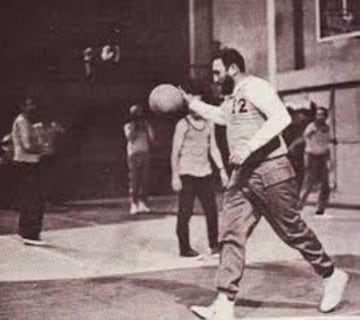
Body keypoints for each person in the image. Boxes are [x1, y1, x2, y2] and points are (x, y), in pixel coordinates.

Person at [179, 49, 348, 319]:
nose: (214, 77)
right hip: (243, 174)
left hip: (271, 168)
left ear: (232, 68)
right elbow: (223, 117)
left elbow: (282, 117)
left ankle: (332, 275)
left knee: (292, 231)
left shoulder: (257, 86)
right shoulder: (233, 96)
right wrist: (192, 103)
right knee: (231, 233)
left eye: (217, 72)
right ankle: (224, 304)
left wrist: (249, 146)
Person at [171, 106, 228, 257]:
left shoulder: (210, 123)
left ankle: (214, 246)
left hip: (205, 172)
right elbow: (175, 152)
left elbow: (213, 147)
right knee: (185, 212)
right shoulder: (183, 124)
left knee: (212, 211)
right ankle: (184, 249)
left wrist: (222, 169)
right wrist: (175, 175)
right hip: (187, 173)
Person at [11, 98, 46, 246]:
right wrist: (43, 149)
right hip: (27, 163)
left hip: (26, 163)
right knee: (34, 198)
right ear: (23, 106)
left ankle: (25, 230)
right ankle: (30, 233)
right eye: (31, 104)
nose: (34, 107)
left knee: (28, 198)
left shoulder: (25, 122)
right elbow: (27, 146)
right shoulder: (23, 122)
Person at [297, 106, 333, 215]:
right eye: (318, 114)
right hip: (312, 156)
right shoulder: (311, 126)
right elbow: (306, 138)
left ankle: (321, 207)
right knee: (309, 183)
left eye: (322, 114)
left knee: (325, 184)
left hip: (322, 156)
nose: (320, 117)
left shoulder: (327, 128)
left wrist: (329, 157)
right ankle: (299, 205)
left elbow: (326, 142)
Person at [124, 104, 154, 215]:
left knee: (145, 180)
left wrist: (146, 129)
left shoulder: (146, 125)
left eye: (139, 113)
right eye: (135, 114)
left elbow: (152, 139)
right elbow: (130, 138)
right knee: (135, 180)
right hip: (133, 155)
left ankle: (143, 203)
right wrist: (135, 128)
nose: (138, 116)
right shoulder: (128, 126)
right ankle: (134, 203)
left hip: (145, 154)